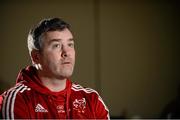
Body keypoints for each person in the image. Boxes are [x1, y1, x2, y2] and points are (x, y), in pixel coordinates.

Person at [0, 18, 109, 119]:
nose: (66, 53)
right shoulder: (17, 99)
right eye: (56, 45)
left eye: (70, 44)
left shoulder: (91, 98)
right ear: (36, 57)